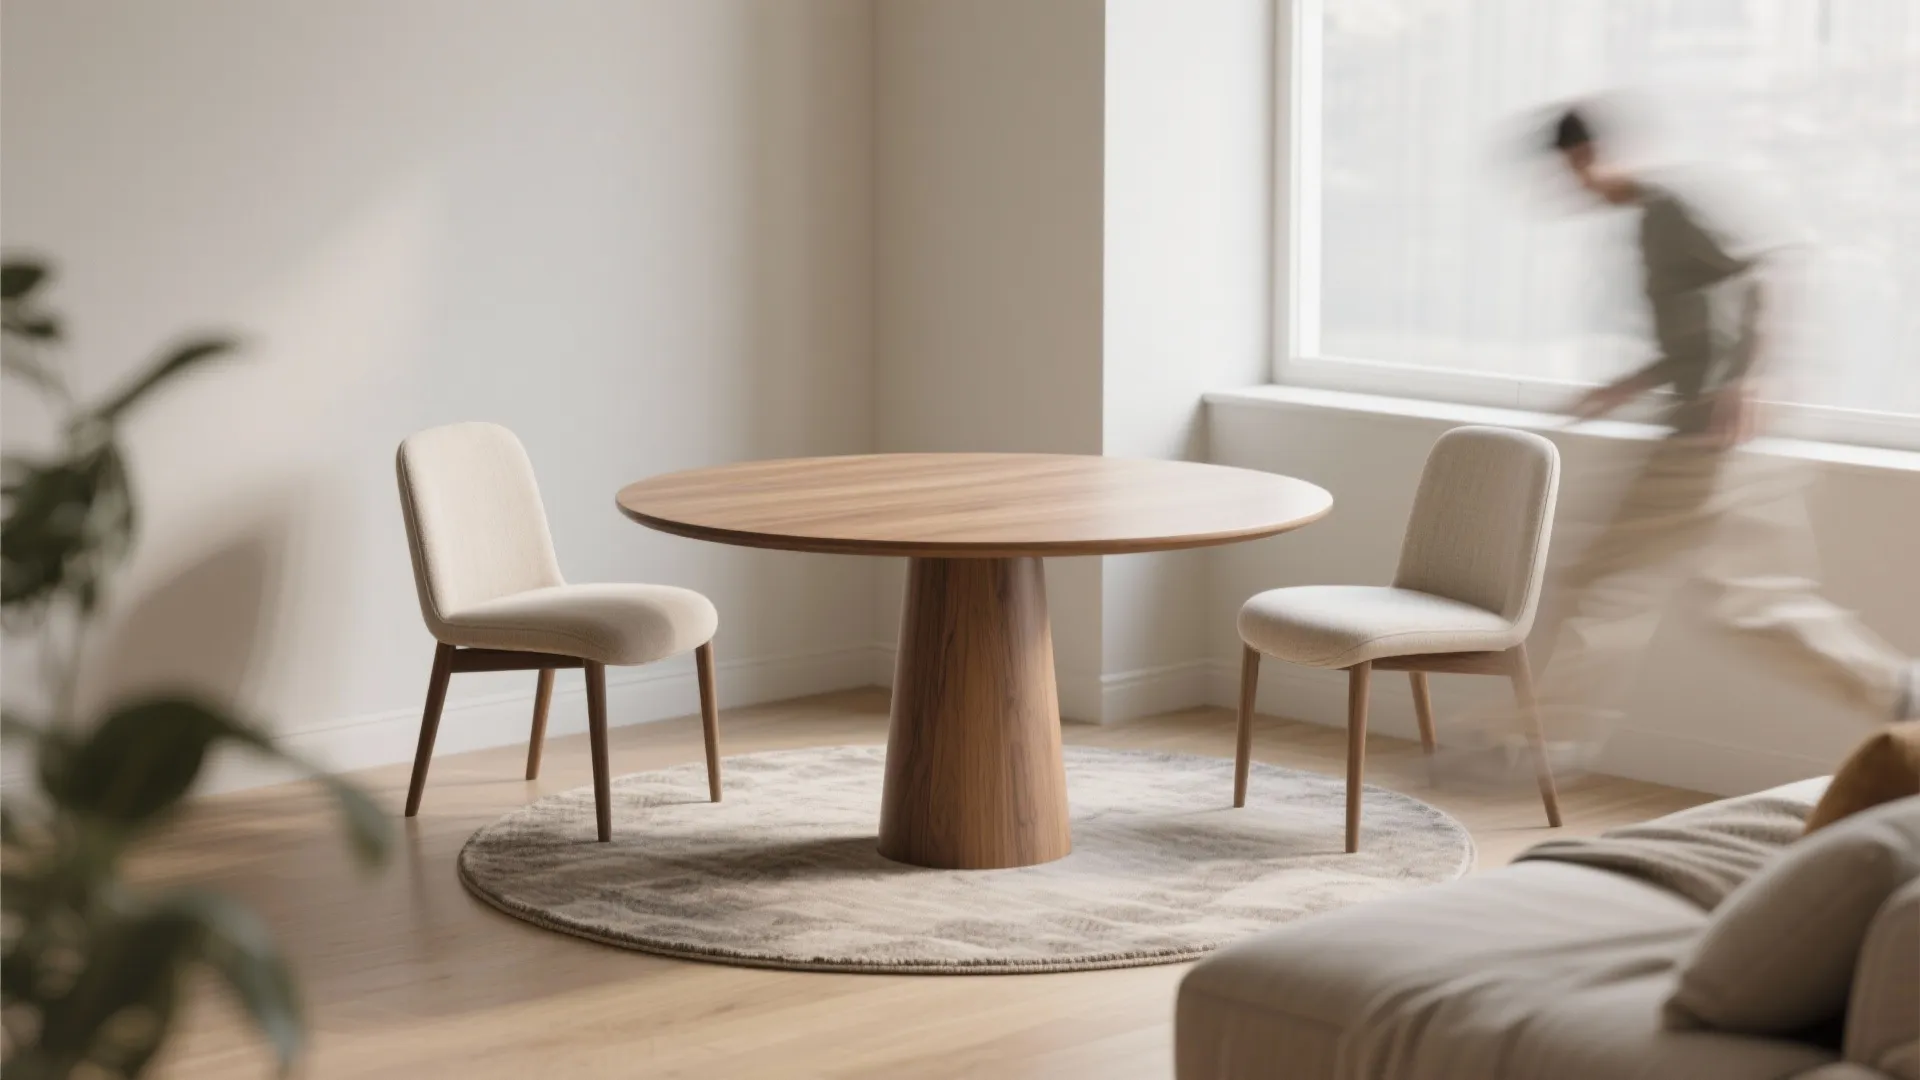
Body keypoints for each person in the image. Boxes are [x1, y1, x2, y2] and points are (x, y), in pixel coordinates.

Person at [1452, 105, 1916, 777]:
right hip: (1731, 439)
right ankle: (1896, 689)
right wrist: (1628, 385)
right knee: (1751, 601)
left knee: (1598, 582)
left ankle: (1531, 742)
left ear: (1584, 157)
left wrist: (1751, 379)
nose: (1568, 189)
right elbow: (1700, 336)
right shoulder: (1650, 219)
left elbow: (1772, 270)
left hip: (1707, 437)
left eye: (1566, 173)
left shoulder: (1672, 207)